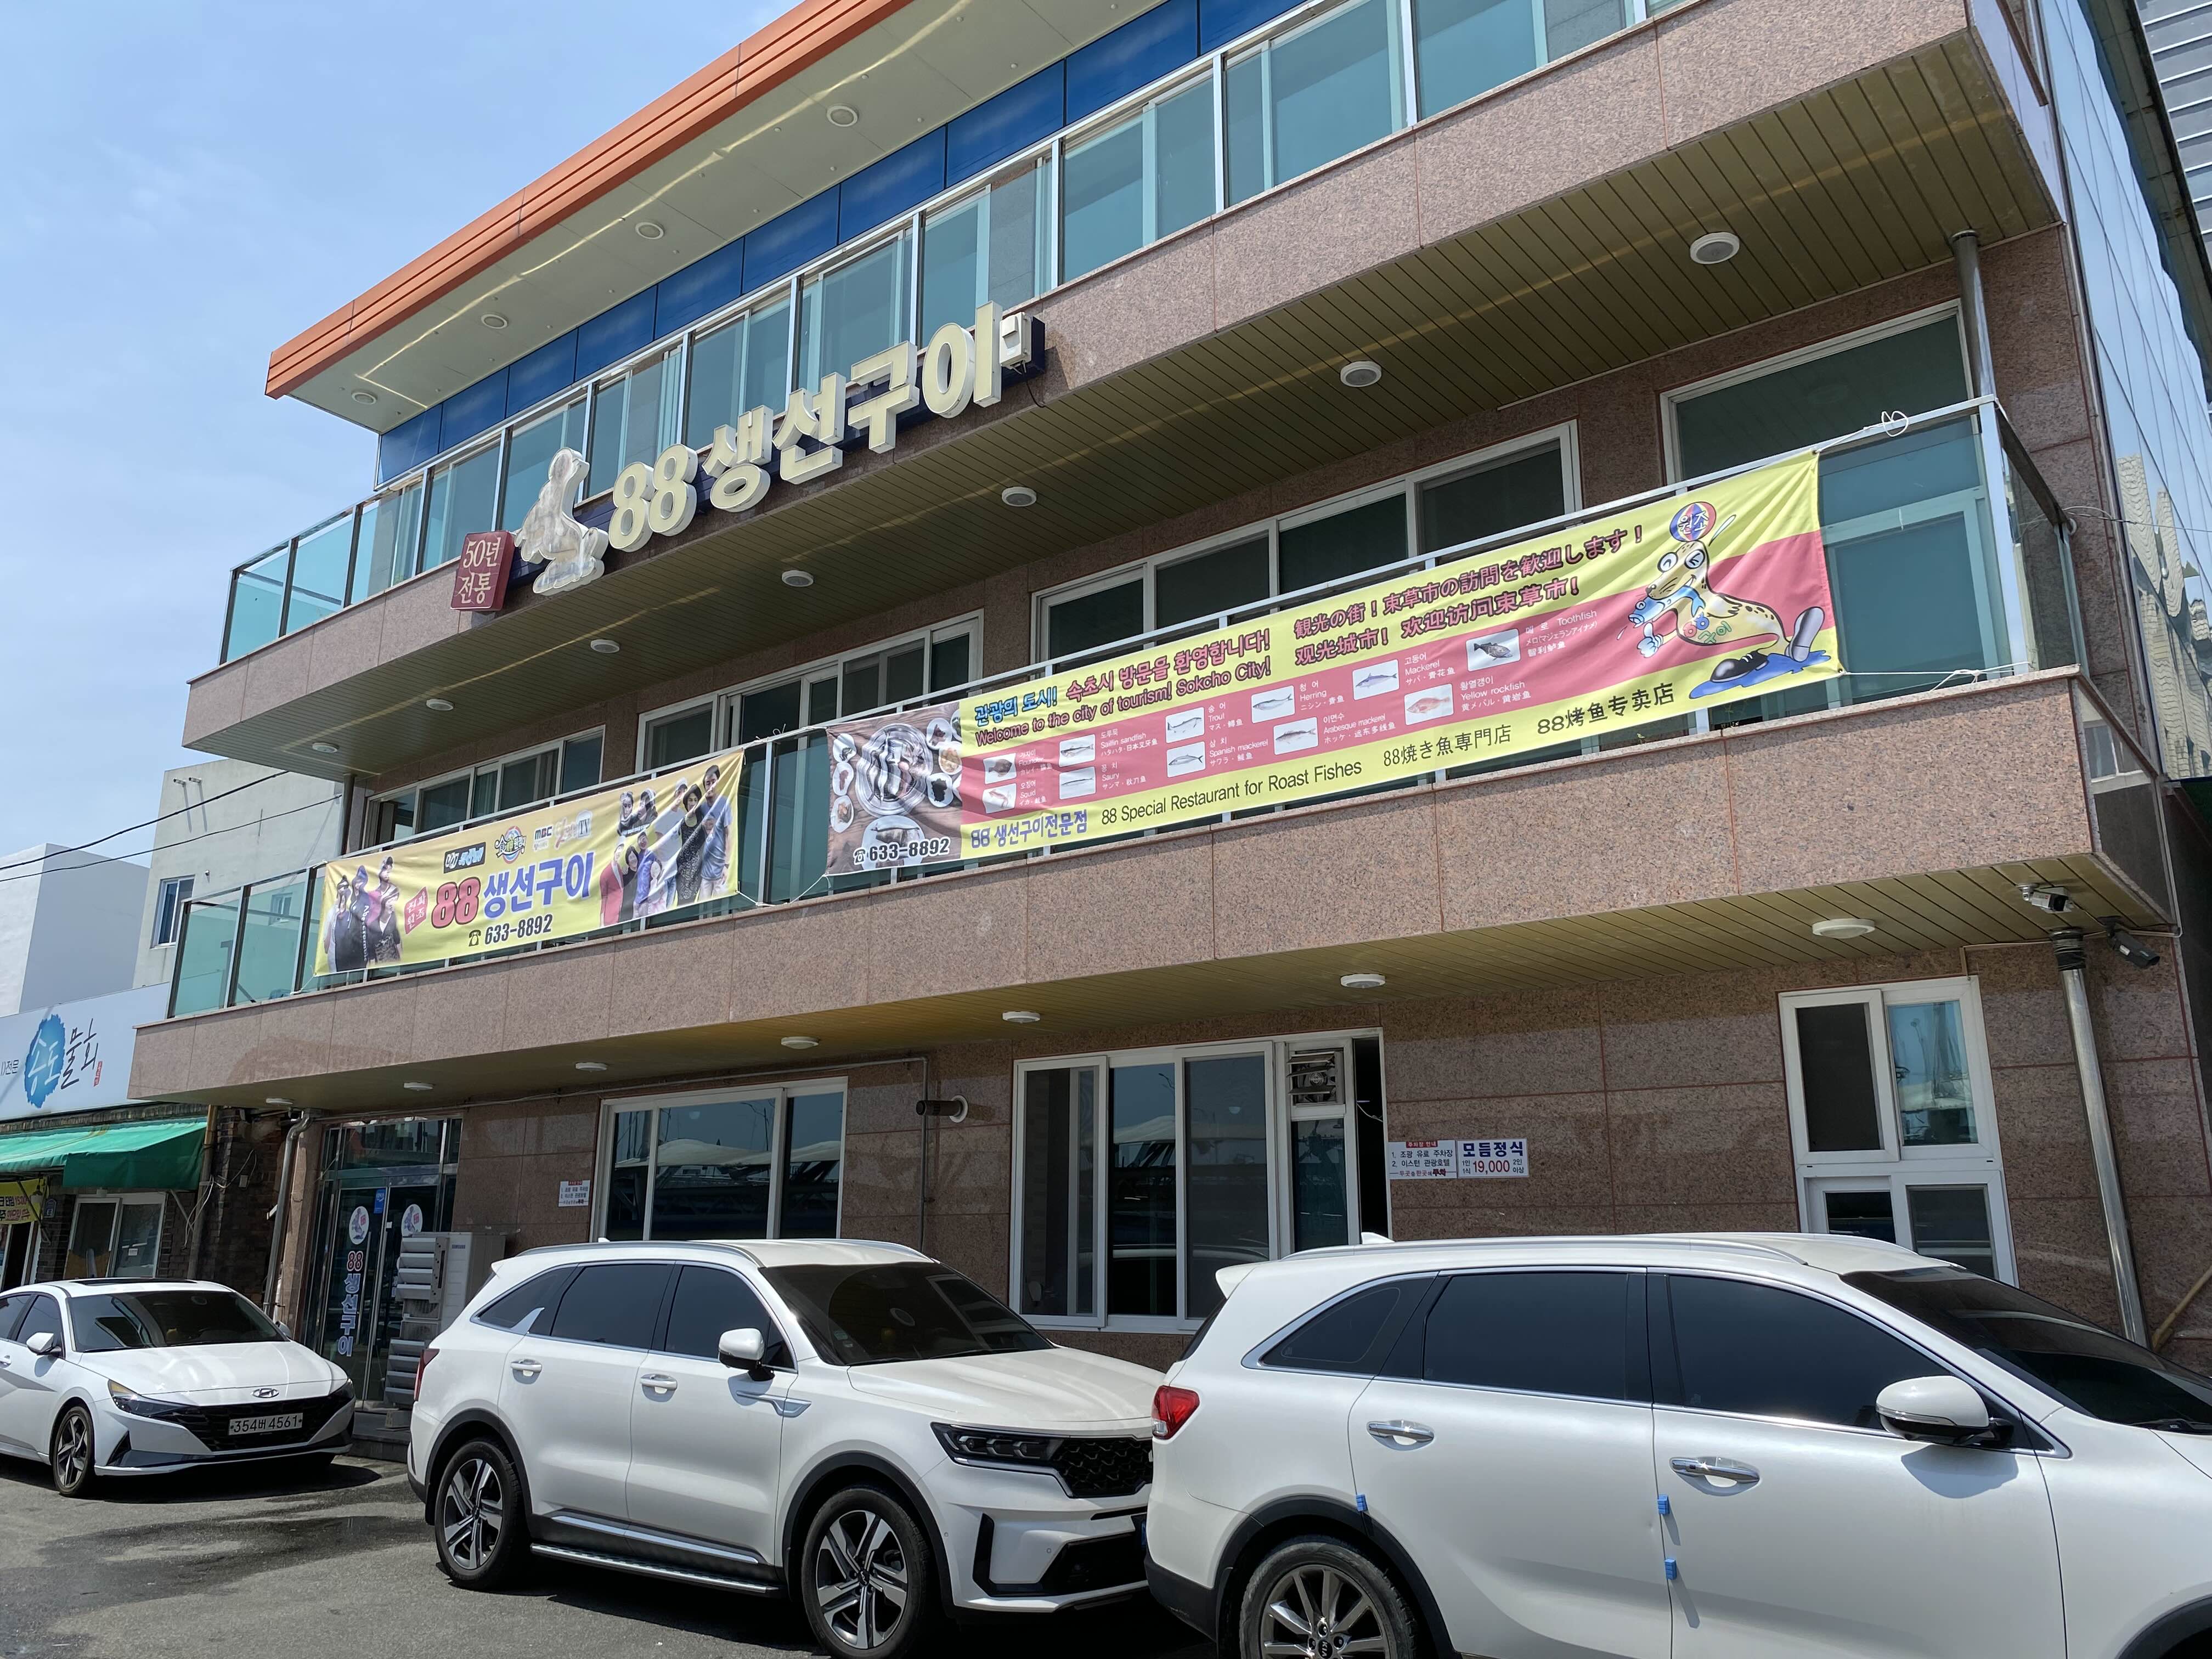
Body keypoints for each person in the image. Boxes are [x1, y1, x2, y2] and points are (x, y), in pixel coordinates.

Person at [700, 763, 732, 899]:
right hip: (705, 872)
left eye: (713, 782)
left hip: (720, 870)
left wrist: (726, 865)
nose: (711, 786)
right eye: (708, 783)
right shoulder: (701, 808)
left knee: (721, 907)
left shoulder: (724, 803)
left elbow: (729, 835)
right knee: (702, 907)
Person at [326, 876, 366, 974]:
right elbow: (326, 947)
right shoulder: (332, 913)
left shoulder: (354, 910)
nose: (344, 889)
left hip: (355, 962)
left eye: (346, 887)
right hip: (337, 965)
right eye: (341, 887)